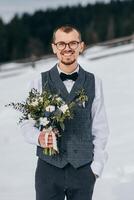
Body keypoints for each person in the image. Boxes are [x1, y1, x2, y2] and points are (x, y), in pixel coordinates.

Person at [20, 25, 109, 200]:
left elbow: (100, 128)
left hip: (83, 171)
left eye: (73, 43)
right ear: (54, 47)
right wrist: (38, 137)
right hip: (48, 171)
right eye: (61, 44)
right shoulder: (38, 82)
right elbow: (26, 123)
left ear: (81, 46)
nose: (67, 48)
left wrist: (96, 168)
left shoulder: (94, 82)